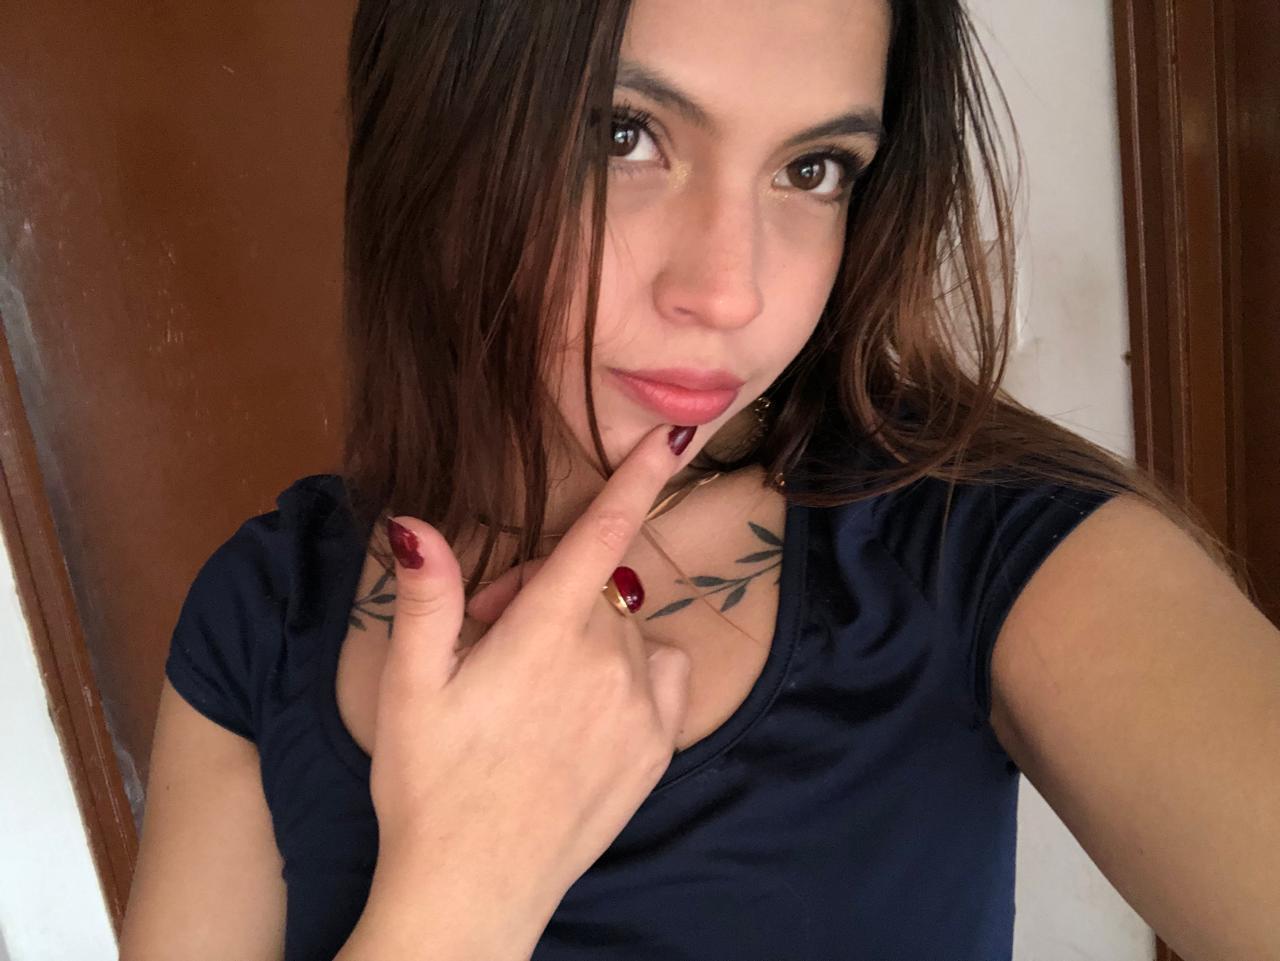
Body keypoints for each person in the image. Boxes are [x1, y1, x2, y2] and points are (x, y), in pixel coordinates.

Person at [119, 1, 1280, 959]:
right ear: (433, 124)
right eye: (621, 135)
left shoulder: (994, 548)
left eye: (812, 169)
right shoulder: (264, 609)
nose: (728, 290)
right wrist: (461, 894)